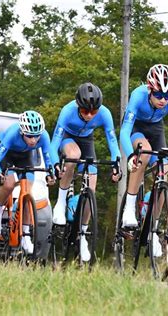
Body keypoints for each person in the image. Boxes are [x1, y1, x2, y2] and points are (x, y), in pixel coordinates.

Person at [50, 82, 122, 263]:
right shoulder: (67, 111)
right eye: (85, 111)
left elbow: (112, 141)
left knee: (92, 184)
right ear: (78, 105)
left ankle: (82, 234)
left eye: (93, 112)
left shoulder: (104, 113)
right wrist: (55, 163)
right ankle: (60, 202)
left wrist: (117, 163)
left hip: (87, 141)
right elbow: (54, 142)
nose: (89, 115)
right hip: (68, 139)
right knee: (74, 155)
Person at [119, 64, 168, 257]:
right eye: (159, 95)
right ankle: (129, 207)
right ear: (150, 89)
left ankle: (152, 227)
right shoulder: (138, 97)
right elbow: (124, 132)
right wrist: (130, 155)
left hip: (156, 129)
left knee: (164, 170)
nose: (163, 100)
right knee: (144, 153)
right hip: (136, 128)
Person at [0, 110, 55, 254]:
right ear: (22, 132)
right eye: (29, 136)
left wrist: (51, 173)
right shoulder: (13, 134)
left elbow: (47, 156)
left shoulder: (43, 136)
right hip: (8, 154)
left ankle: (26, 234)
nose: (33, 140)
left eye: (36, 136)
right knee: (9, 183)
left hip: (25, 156)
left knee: (27, 191)